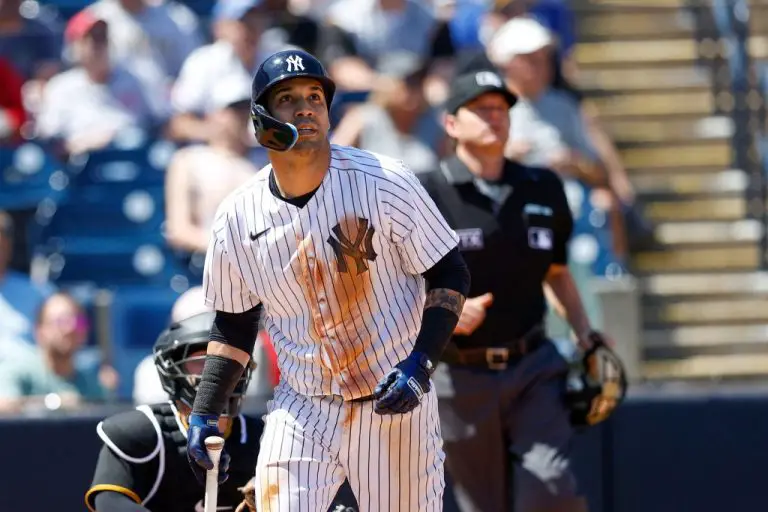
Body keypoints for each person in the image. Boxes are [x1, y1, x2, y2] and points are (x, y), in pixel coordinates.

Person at [185, 49, 470, 512]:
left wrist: (421, 363)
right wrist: (205, 410)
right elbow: (234, 327)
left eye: (315, 96)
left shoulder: (385, 181)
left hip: (393, 400)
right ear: (260, 121)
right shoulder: (237, 217)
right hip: (304, 405)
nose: (305, 107)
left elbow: (449, 271)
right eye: (287, 99)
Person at [418, 70, 618, 512]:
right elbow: (395, 283)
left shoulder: (542, 186)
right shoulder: (424, 191)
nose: (495, 117)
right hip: (459, 373)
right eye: (481, 108)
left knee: (550, 488)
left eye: (502, 108)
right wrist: (443, 309)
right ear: (451, 123)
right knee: (484, 505)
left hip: (533, 365)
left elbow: (557, 272)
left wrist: (586, 335)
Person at [86, 311, 359, 511]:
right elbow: (109, 502)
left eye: (226, 363)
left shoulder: (270, 437)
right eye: (201, 361)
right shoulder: (143, 432)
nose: (214, 372)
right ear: (173, 369)